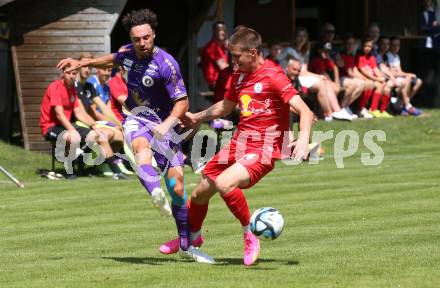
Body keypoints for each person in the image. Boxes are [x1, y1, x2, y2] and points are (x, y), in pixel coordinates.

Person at [57, 8, 208, 261]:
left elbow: (183, 103)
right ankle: (154, 192)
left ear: (153, 35)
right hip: (135, 117)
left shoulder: (167, 65)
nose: (141, 43)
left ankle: (186, 244)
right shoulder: (128, 53)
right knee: (141, 148)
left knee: (178, 187)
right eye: (136, 38)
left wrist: (168, 123)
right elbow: (113, 58)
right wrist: (83, 63)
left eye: (146, 37)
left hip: (165, 124)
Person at [182, 27, 314, 266]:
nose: (233, 61)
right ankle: (192, 239)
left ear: (253, 53)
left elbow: (305, 110)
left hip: (263, 150)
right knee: (199, 194)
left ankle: (250, 235)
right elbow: (226, 106)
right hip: (238, 144)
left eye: (236, 56)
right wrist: (198, 117)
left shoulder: (274, 75)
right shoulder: (239, 75)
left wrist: (303, 139)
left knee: (224, 183)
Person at [39, 67, 127, 178]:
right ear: (62, 74)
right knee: (72, 137)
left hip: (67, 125)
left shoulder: (72, 90)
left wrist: (93, 125)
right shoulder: (55, 87)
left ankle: (117, 172)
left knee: (100, 135)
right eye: (68, 73)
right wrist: (72, 130)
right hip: (50, 127)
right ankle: (70, 172)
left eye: (74, 73)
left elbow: (78, 112)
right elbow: (59, 114)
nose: (71, 75)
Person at [74, 53, 130, 178]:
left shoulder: (89, 86)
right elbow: (82, 112)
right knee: (106, 134)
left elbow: (105, 108)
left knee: (120, 135)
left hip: (87, 123)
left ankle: (99, 164)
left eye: (89, 67)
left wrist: (119, 124)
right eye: (84, 66)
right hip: (77, 123)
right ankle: (115, 171)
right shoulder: (74, 85)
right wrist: (94, 125)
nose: (87, 70)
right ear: (78, 67)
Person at [356, 37, 393, 118]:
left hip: (373, 78)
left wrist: (381, 78)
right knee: (377, 85)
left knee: (385, 86)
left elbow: (375, 69)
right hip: (365, 78)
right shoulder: (359, 57)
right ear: (362, 46)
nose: (367, 48)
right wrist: (376, 79)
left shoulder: (372, 57)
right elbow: (362, 71)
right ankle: (369, 109)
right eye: (366, 46)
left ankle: (382, 110)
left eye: (369, 46)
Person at [386, 37, 423, 116]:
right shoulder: (388, 55)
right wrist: (407, 75)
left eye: (398, 45)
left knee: (418, 81)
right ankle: (407, 106)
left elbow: (399, 71)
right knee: (408, 79)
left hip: (399, 78)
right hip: (393, 79)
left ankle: (404, 103)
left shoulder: (397, 56)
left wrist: (406, 74)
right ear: (390, 46)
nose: (396, 47)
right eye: (394, 45)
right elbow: (392, 72)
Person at [201, 21, 229, 90]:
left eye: (224, 30)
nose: (222, 32)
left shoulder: (222, 47)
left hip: (222, 80)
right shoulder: (212, 47)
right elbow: (224, 67)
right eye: (219, 30)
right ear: (214, 32)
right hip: (215, 83)